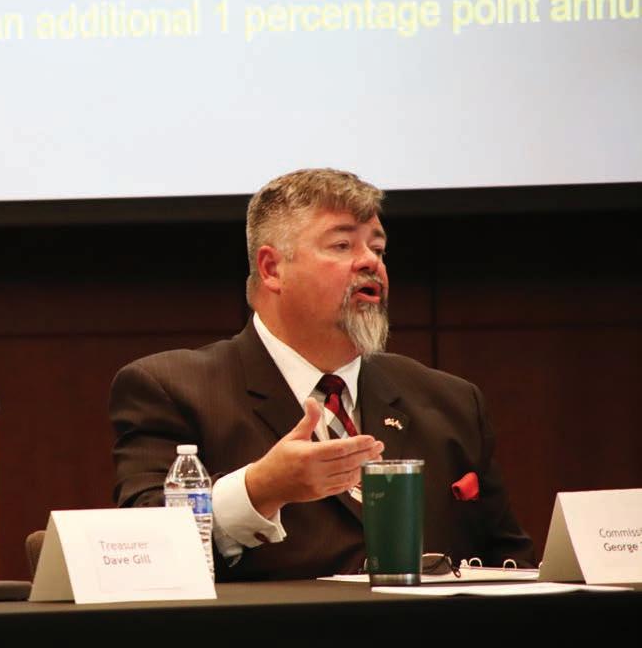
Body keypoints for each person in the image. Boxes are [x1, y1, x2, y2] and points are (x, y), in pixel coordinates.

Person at [110, 168, 535, 581]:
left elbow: (512, 564)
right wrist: (259, 489)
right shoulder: (171, 388)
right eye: (342, 245)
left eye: (378, 248)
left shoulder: (450, 401)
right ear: (272, 269)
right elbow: (143, 550)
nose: (370, 262)